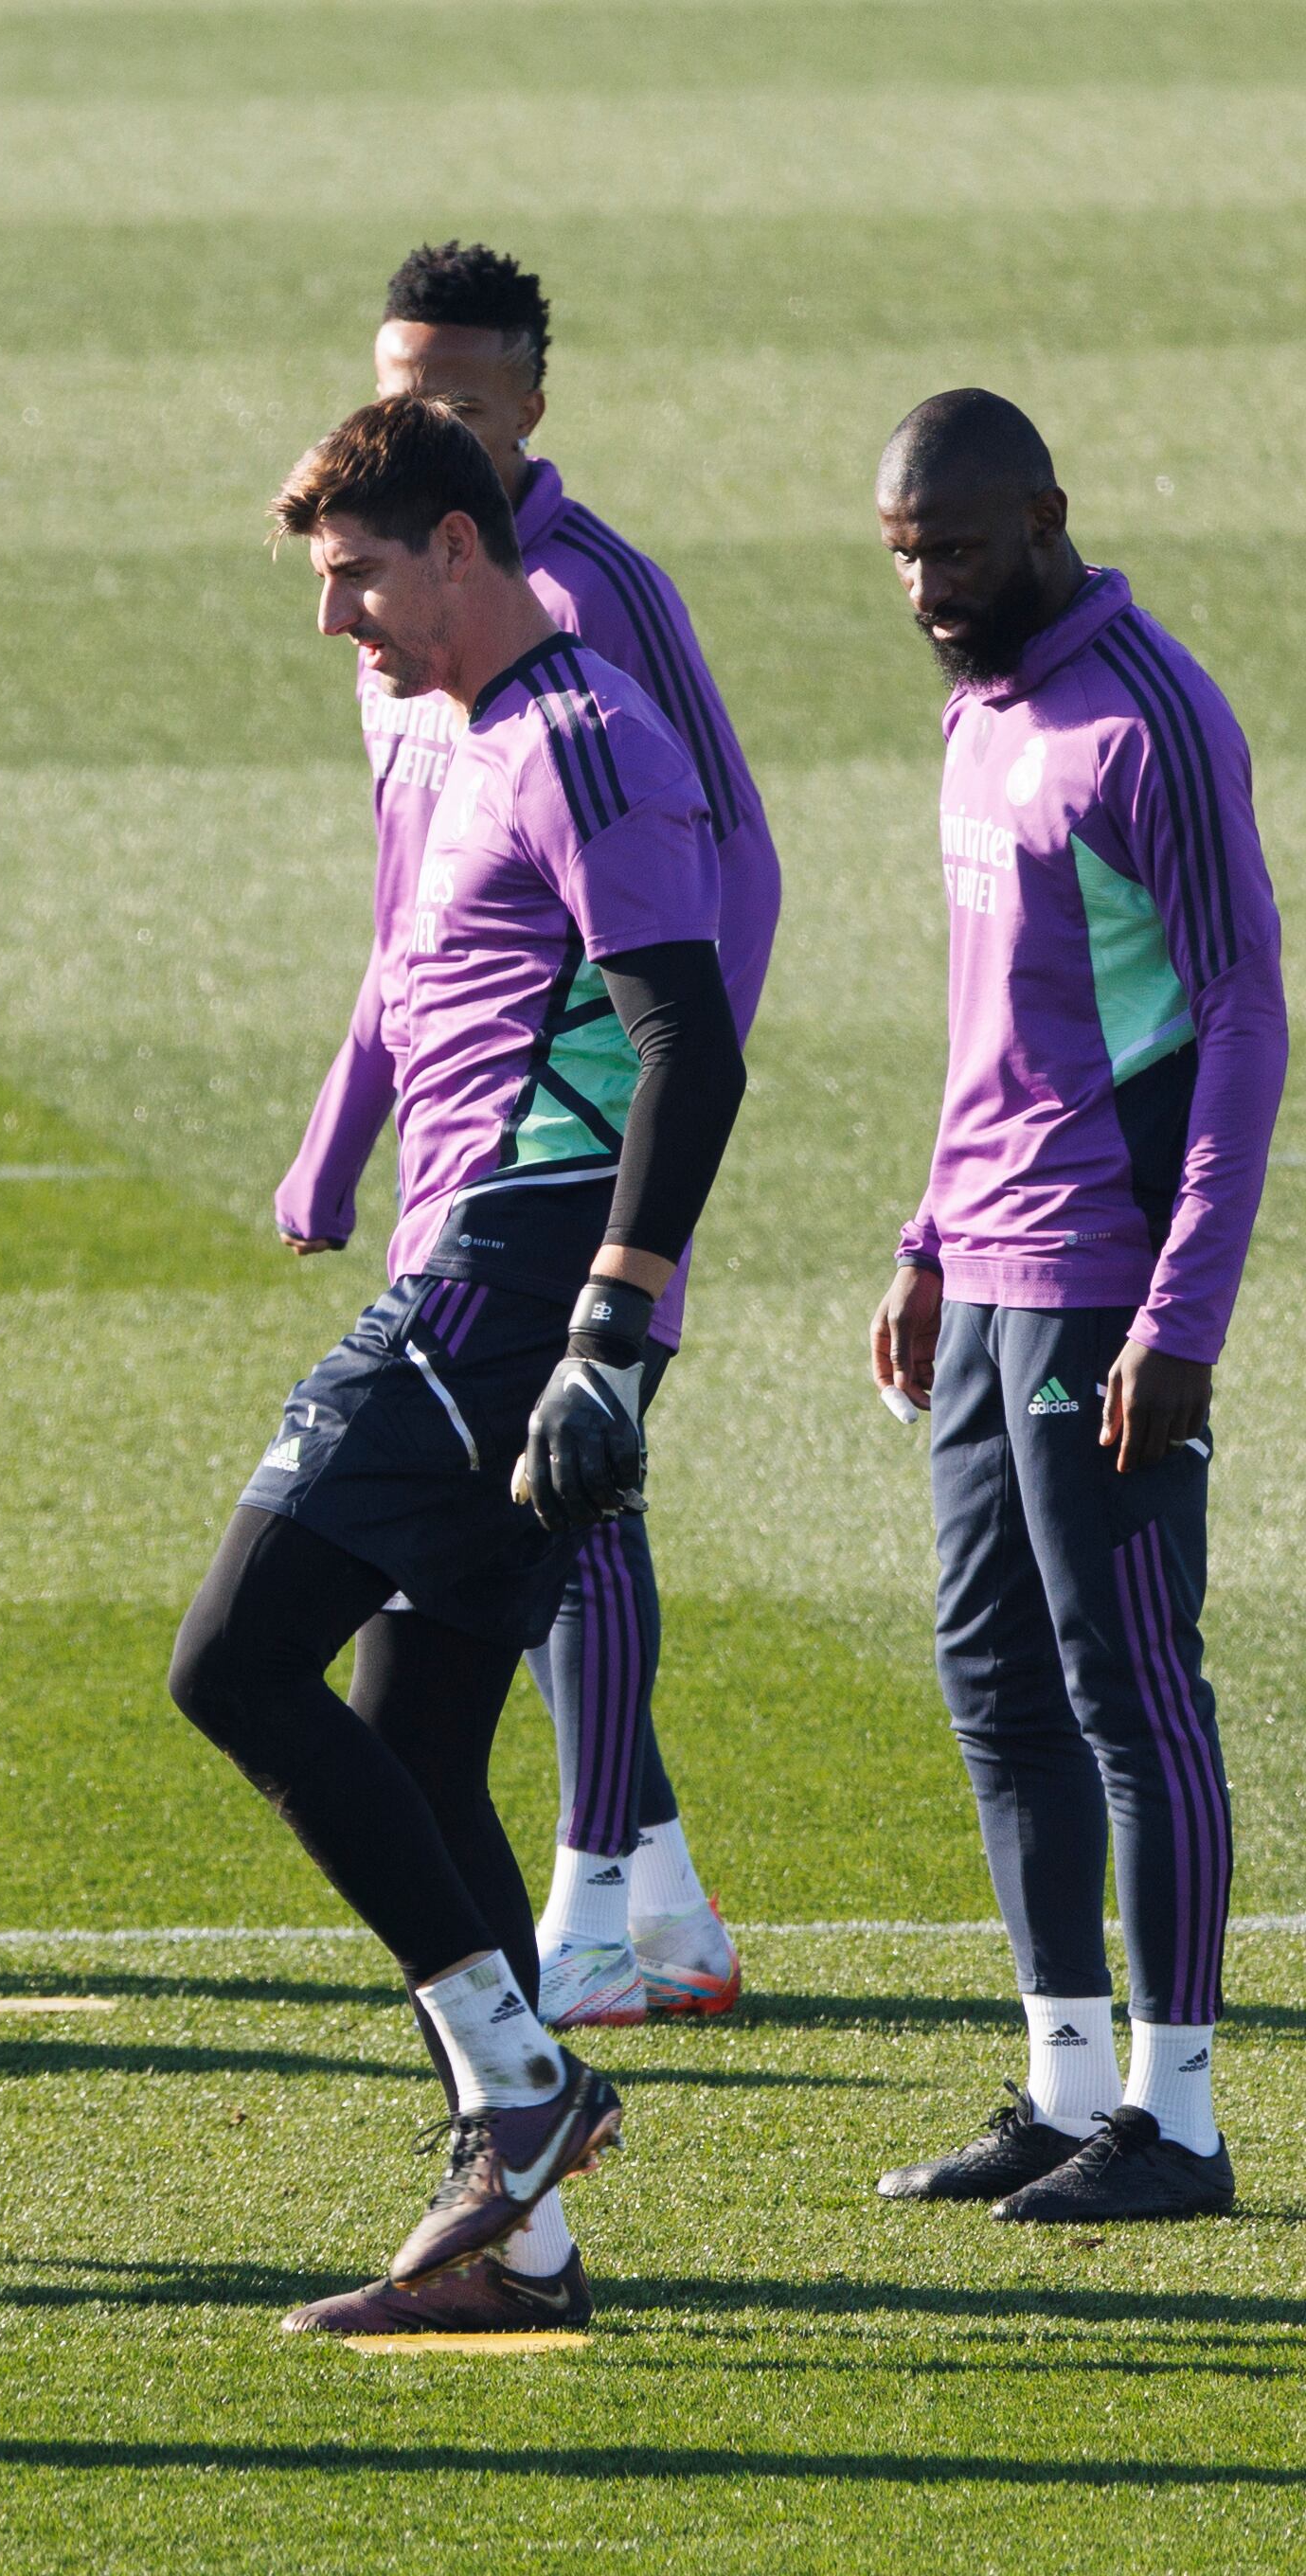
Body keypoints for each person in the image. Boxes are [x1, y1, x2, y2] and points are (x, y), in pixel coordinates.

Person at [171, 400, 747, 2335]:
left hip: (513, 1285)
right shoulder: (475, 735)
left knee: (236, 1659)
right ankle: (524, 2245)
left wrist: (608, 1319)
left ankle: (521, 2090)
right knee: (415, 1733)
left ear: (458, 548)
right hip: (483, 1266)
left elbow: (695, 1042)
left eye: (357, 575)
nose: (338, 618)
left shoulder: (585, 738)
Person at [277, 242, 781, 2030]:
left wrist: (649, 1133)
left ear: (529, 414)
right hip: (467, 1172)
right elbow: (419, 913)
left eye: (462, 405)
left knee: (544, 1518)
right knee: (445, 1643)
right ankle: (589, 1979)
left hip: (567, 1179)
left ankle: (596, 1906)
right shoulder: (392, 616)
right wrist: (347, 1126)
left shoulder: (580, 614)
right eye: (405, 390)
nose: (431, 425)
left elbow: (722, 879)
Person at [866, 391, 1278, 2225]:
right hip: (987, 1276)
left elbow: (1246, 1025)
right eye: (900, 554)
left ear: (1044, 517)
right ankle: (1061, 2086)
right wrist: (926, 1238)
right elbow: (994, 1018)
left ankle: (1179, 2122)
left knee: (1129, 1692)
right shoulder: (984, 709)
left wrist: (1179, 1319)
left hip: (1105, 1282)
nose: (929, 585)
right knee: (992, 1680)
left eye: (954, 545)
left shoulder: (1147, 721)